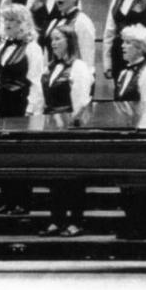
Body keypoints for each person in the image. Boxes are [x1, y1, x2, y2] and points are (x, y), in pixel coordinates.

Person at [0, 4, 44, 216]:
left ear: (24, 24)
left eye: (14, 21)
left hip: (21, 104)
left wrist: (31, 109)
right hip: (2, 103)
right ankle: (7, 200)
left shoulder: (33, 48)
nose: (9, 25)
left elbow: (36, 81)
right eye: (6, 20)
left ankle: (23, 201)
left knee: (21, 154)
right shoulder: (1, 47)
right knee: (3, 154)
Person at [40, 24, 93, 237]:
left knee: (74, 179)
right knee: (55, 178)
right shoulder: (50, 67)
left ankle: (76, 221)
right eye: (52, 40)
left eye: (58, 39)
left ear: (70, 41)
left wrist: (72, 126)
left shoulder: (78, 67)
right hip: (52, 125)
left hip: (70, 128)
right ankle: (56, 219)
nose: (53, 44)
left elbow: (81, 102)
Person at [115, 25, 146, 240]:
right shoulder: (125, 72)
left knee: (139, 185)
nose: (123, 47)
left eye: (128, 43)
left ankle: (141, 226)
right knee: (126, 185)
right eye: (123, 42)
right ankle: (131, 223)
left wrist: (142, 140)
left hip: (140, 137)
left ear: (140, 48)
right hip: (124, 135)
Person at [40, 0, 95, 70]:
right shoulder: (53, 22)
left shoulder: (82, 21)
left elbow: (87, 53)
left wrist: (87, 76)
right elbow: (47, 52)